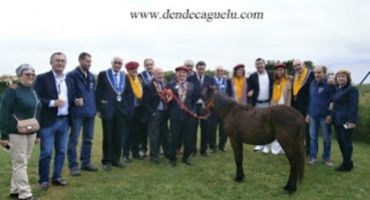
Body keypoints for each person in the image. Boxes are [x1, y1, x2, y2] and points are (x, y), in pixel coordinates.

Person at [0, 64, 41, 200]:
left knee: (23, 161)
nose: (30, 76)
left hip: (31, 130)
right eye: (27, 74)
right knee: (20, 162)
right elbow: (3, 113)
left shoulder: (33, 91)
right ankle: (25, 193)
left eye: (32, 74)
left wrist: (38, 134)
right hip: (15, 132)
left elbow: (37, 110)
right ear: (19, 75)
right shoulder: (12, 91)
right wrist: (3, 135)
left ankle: (15, 189)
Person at [34, 52, 71, 190]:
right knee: (47, 152)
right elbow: (36, 98)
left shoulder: (68, 79)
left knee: (61, 151)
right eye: (57, 60)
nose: (60, 63)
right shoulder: (42, 78)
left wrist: (76, 100)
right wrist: (52, 103)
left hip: (64, 120)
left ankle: (57, 177)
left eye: (63, 61)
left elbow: (70, 96)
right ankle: (43, 180)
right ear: (51, 62)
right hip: (48, 121)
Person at [95, 57, 132, 171]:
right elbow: (98, 92)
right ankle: (106, 161)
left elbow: (128, 94)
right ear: (111, 63)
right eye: (115, 62)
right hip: (107, 110)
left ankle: (116, 159)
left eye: (119, 63)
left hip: (121, 111)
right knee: (108, 136)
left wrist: (126, 108)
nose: (117, 64)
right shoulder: (103, 74)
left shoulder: (125, 76)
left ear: (122, 65)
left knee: (119, 136)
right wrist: (98, 109)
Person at [67, 52, 98, 176]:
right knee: (73, 140)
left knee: (88, 139)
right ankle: (73, 166)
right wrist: (74, 99)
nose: (89, 63)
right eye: (87, 61)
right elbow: (69, 92)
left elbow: (93, 93)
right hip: (77, 113)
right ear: (80, 61)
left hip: (90, 112)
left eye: (90, 61)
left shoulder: (91, 76)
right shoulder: (71, 75)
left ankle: (86, 163)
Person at [166, 66, 197, 166]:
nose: (182, 74)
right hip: (175, 116)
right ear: (176, 74)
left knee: (188, 138)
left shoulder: (191, 86)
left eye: (184, 73)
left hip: (189, 116)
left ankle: (186, 157)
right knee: (174, 138)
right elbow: (167, 101)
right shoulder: (170, 85)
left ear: (187, 75)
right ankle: (172, 158)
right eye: (179, 72)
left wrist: (194, 111)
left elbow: (194, 101)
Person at [306, 66, 334, 166]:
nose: (317, 75)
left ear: (325, 73)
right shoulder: (312, 84)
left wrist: (330, 115)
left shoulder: (330, 84)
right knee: (313, 138)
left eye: (319, 73)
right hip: (313, 116)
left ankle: (326, 158)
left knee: (327, 139)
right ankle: (313, 157)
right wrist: (308, 114)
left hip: (324, 117)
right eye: (315, 73)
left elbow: (333, 101)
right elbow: (310, 101)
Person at [331, 70, 359, 172]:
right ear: (336, 79)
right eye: (339, 77)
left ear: (347, 79)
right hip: (337, 120)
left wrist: (352, 121)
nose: (341, 78)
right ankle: (347, 162)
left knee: (346, 142)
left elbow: (354, 107)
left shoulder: (352, 90)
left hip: (346, 121)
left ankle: (346, 164)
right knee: (341, 142)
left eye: (343, 77)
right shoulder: (338, 90)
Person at [187, 61, 215, 156]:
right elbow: (188, 93)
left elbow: (214, 91)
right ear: (196, 68)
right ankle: (193, 150)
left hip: (205, 107)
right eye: (199, 69)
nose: (201, 70)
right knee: (192, 130)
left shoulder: (210, 79)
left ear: (205, 69)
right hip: (194, 106)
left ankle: (203, 149)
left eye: (202, 69)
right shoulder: (190, 78)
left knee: (205, 129)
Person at [143, 67, 169, 164]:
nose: (160, 75)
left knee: (165, 134)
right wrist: (152, 112)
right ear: (153, 74)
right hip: (155, 113)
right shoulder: (148, 85)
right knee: (154, 135)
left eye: (162, 73)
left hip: (165, 112)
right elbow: (144, 101)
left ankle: (167, 153)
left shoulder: (165, 83)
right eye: (158, 73)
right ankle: (154, 156)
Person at [249, 58, 274, 153]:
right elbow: (250, 86)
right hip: (257, 104)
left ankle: (266, 146)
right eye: (257, 64)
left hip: (268, 103)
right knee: (258, 125)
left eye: (261, 63)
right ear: (255, 66)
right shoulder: (252, 76)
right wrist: (250, 91)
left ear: (264, 64)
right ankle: (259, 144)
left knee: (267, 126)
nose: (259, 65)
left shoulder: (271, 74)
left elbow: (282, 77)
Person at [291, 59, 314, 157]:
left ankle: (309, 151)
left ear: (303, 64)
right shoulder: (295, 76)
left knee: (308, 131)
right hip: (296, 107)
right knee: (298, 130)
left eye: (299, 65)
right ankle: (299, 149)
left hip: (307, 106)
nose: (297, 67)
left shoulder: (311, 74)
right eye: (295, 66)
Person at [124, 61, 145, 161]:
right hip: (128, 109)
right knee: (127, 133)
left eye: (135, 69)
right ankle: (125, 154)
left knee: (137, 133)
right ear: (128, 70)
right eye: (132, 69)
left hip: (139, 109)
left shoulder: (139, 79)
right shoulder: (124, 79)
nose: (134, 71)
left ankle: (135, 152)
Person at [270, 63, 292, 155]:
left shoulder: (288, 81)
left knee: (284, 130)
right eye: (278, 70)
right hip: (275, 108)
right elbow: (273, 97)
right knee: (275, 129)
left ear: (284, 71)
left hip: (284, 108)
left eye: (281, 70)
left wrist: (288, 108)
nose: (279, 72)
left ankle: (284, 148)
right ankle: (275, 149)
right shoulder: (275, 82)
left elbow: (289, 97)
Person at [208, 66, 228, 152]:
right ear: (215, 72)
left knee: (224, 128)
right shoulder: (211, 80)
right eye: (218, 70)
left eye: (221, 71)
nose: (220, 72)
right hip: (213, 107)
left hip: (224, 108)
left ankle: (222, 145)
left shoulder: (226, 80)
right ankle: (213, 146)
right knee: (212, 128)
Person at [137, 58, 155, 157]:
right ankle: (143, 149)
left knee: (156, 129)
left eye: (151, 64)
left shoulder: (157, 76)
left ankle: (156, 148)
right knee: (143, 130)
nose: (149, 66)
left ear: (153, 65)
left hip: (155, 107)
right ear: (144, 66)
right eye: (147, 64)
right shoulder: (140, 77)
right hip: (143, 107)